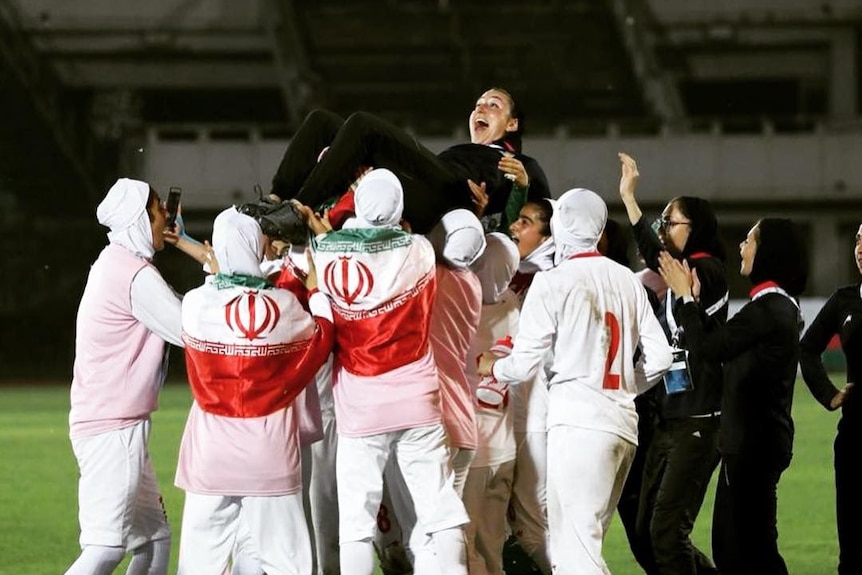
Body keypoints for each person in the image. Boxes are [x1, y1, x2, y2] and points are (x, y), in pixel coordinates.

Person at [478, 188, 674, 575]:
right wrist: (624, 388)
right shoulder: (629, 279)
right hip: (622, 428)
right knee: (579, 549)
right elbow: (662, 358)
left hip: (579, 427)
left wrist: (491, 367)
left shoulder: (553, 281)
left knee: (576, 557)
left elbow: (521, 366)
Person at [300, 168, 470, 575]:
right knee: (440, 509)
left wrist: (314, 290)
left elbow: (332, 262)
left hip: (361, 406)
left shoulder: (325, 254)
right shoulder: (420, 251)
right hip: (417, 400)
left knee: (356, 525)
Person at [174, 206, 334, 574]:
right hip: (269, 454)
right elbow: (322, 340)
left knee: (199, 566)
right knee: (287, 563)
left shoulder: (198, 304)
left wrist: (192, 248)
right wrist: (317, 291)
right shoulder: (284, 305)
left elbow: (217, 283)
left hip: (210, 458)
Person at [658, 217, 809, 575]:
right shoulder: (775, 308)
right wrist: (693, 302)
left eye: (749, 240)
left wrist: (683, 298)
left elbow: (707, 349)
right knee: (747, 550)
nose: (742, 247)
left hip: (751, 447)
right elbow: (724, 345)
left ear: (768, 252)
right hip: (757, 444)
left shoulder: (768, 309)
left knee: (742, 552)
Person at [64, 178, 198, 575]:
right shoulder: (133, 274)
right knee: (104, 548)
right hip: (113, 429)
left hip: (113, 424)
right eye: (158, 210)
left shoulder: (115, 262)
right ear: (139, 218)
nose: (165, 217)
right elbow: (187, 329)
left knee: (155, 540)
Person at [618, 152, 727, 575]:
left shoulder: (708, 271)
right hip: (670, 416)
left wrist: (630, 200)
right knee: (648, 533)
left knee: (665, 534)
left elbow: (701, 337)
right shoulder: (675, 272)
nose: (663, 229)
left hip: (698, 418)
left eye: (671, 221)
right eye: (662, 221)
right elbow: (655, 256)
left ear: (694, 228)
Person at [267, 87, 551, 238]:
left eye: (494, 104)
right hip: (425, 187)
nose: (481, 108)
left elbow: (544, 221)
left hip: (451, 195)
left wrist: (494, 211)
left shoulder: (523, 164)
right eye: (478, 104)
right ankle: (276, 199)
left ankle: (296, 211)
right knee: (322, 122)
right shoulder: (464, 150)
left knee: (364, 126)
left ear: (512, 124)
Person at [799, 221, 861, 575]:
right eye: (857, 240)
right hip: (854, 437)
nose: (861, 248)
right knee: (851, 549)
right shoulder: (844, 300)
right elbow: (807, 349)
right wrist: (828, 394)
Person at [462, 231, 522, 575]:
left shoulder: (455, 301)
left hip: (471, 451)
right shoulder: (513, 302)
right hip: (505, 447)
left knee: (463, 549)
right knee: (492, 547)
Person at [502, 198, 555, 574]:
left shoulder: (553, 277)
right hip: (504, 410)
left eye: (526, 222)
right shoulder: (507, 270)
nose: (515, 228)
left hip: (539, 414)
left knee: (534, 527)